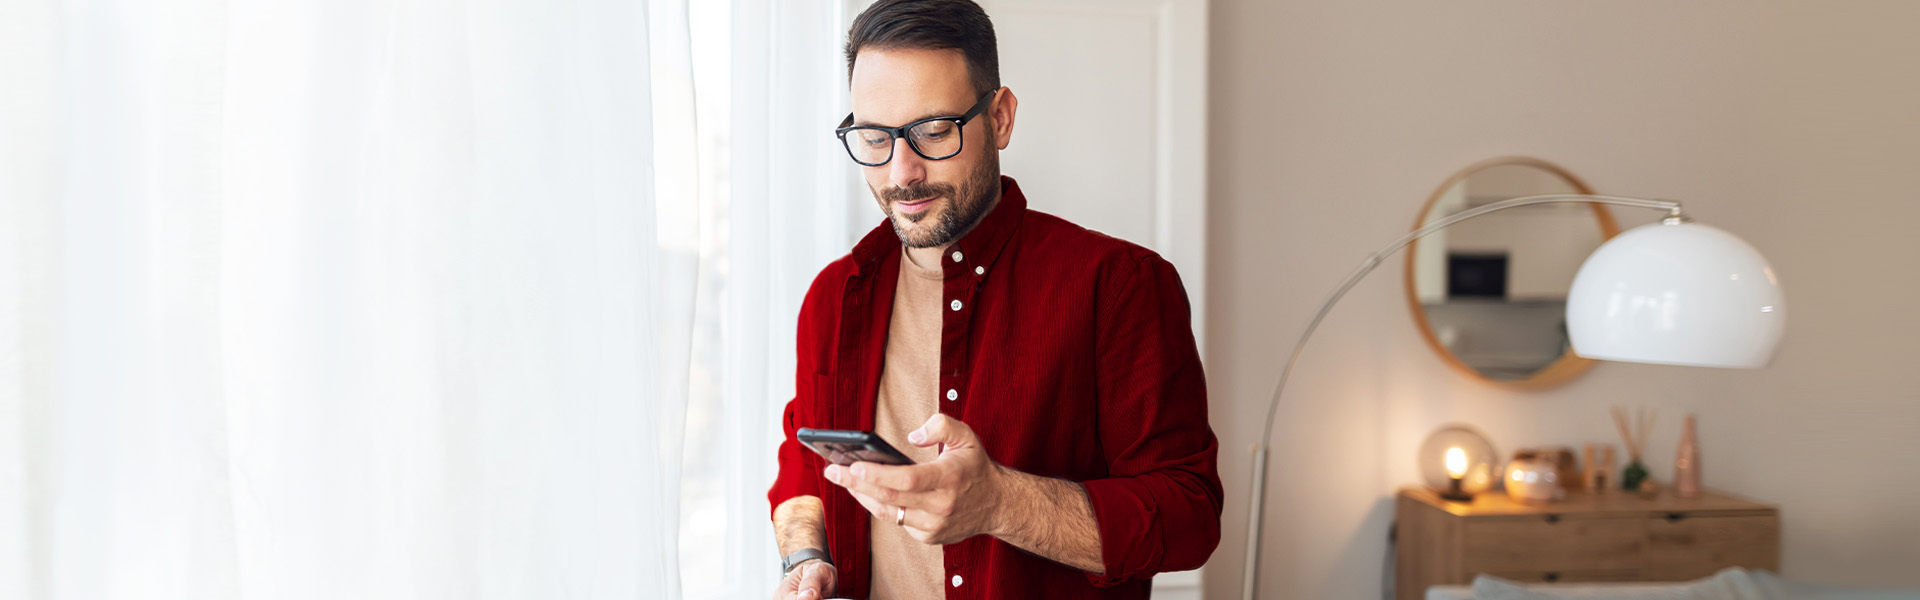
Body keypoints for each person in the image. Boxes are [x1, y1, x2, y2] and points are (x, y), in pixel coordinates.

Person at [768, 1, 1221, 598]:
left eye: (933, 132)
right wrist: (805, 558)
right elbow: (804, 462)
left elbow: (1189, 518)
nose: (901, 172)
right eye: (874, 137)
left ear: (1001, 118)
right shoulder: (833, 295)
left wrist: (1000, 502)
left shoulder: (1120, 283)